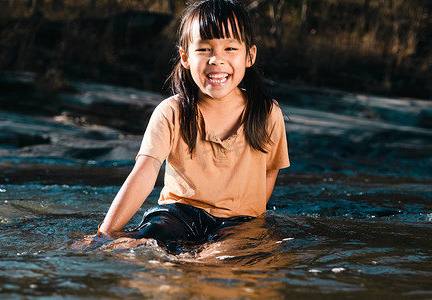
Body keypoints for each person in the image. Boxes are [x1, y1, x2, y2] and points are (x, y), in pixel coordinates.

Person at [97, 0, 290, 250]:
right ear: (185, 57)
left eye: (230, 48)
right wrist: (105, 232)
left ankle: (199, 259)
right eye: (204, 49)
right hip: (178, 214)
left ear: (250, 55)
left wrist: (251, 216)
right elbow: (144, 173)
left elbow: (269, 170)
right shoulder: (171, 112)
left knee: (220, 253)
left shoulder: (266, 112)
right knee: (142, 239)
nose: (216, 60)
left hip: (239, 222)